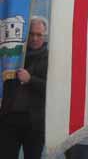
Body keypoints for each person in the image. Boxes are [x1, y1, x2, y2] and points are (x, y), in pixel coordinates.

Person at [0, 16, 49, 159]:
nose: (34, 38)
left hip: (35, 123)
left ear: (44, 36)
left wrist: (30, 80)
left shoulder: (51, 58)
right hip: (9, 119)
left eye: (38, 35)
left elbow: (53, 91)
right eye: (31, 34)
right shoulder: (13, 55)